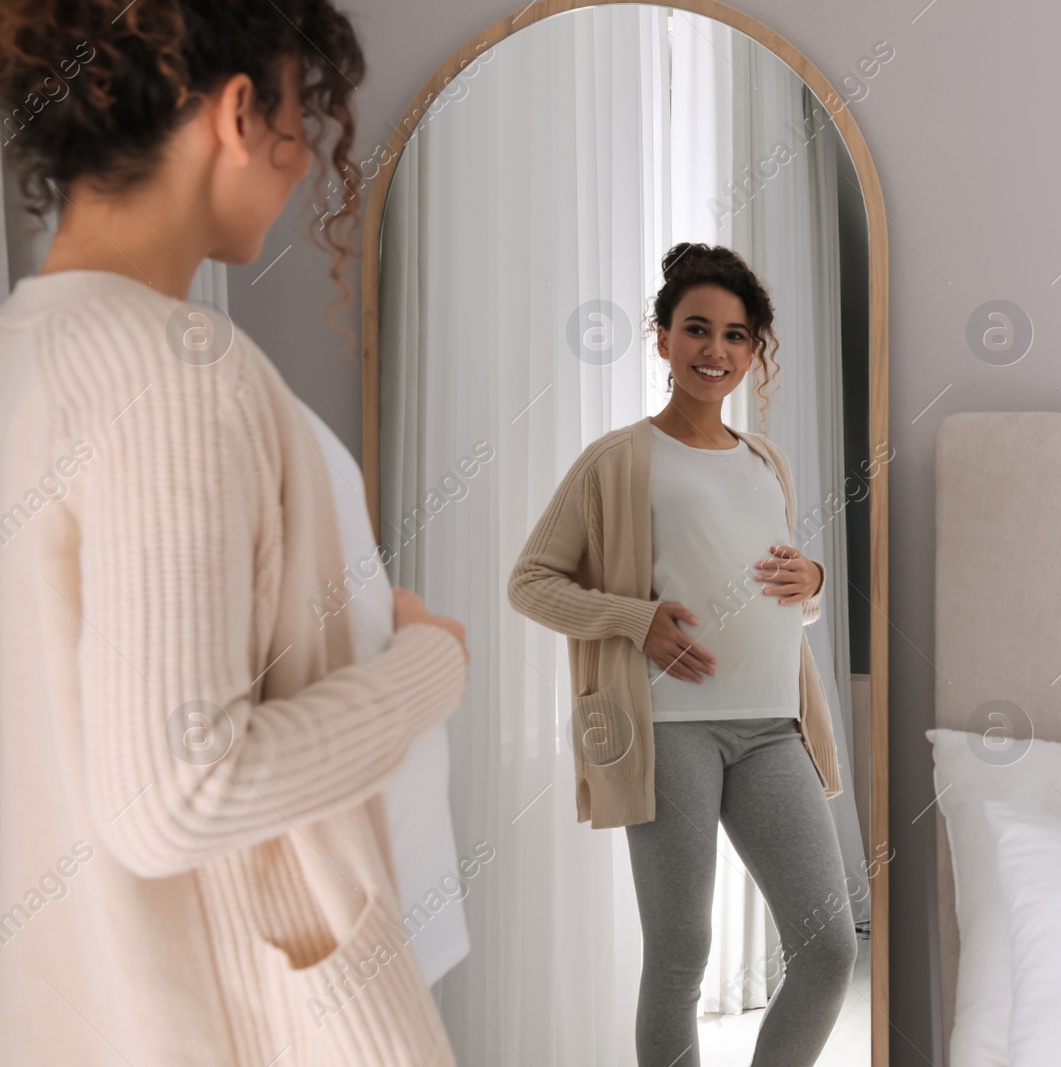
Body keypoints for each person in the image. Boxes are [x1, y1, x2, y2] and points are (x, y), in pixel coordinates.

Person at [0, 3, 470, 1064]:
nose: (306, 161)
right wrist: (430, 663)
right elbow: (179, 794)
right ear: (237, 110)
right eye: (300, 117)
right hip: (219, 1022)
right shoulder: (173, 376)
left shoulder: (26, 354)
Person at [506, 242, 858, 1066]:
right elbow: (531, 581)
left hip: (774, 725)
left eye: (737, 336)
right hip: (671, 731)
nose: (716, 350)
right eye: (696, 329)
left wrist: (813, 578)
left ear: (753, 351)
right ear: (660, 338)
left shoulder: (765, 459)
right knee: (679, 956)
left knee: (829, 946)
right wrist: (634, 617)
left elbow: (783, 594)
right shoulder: (618, 460)